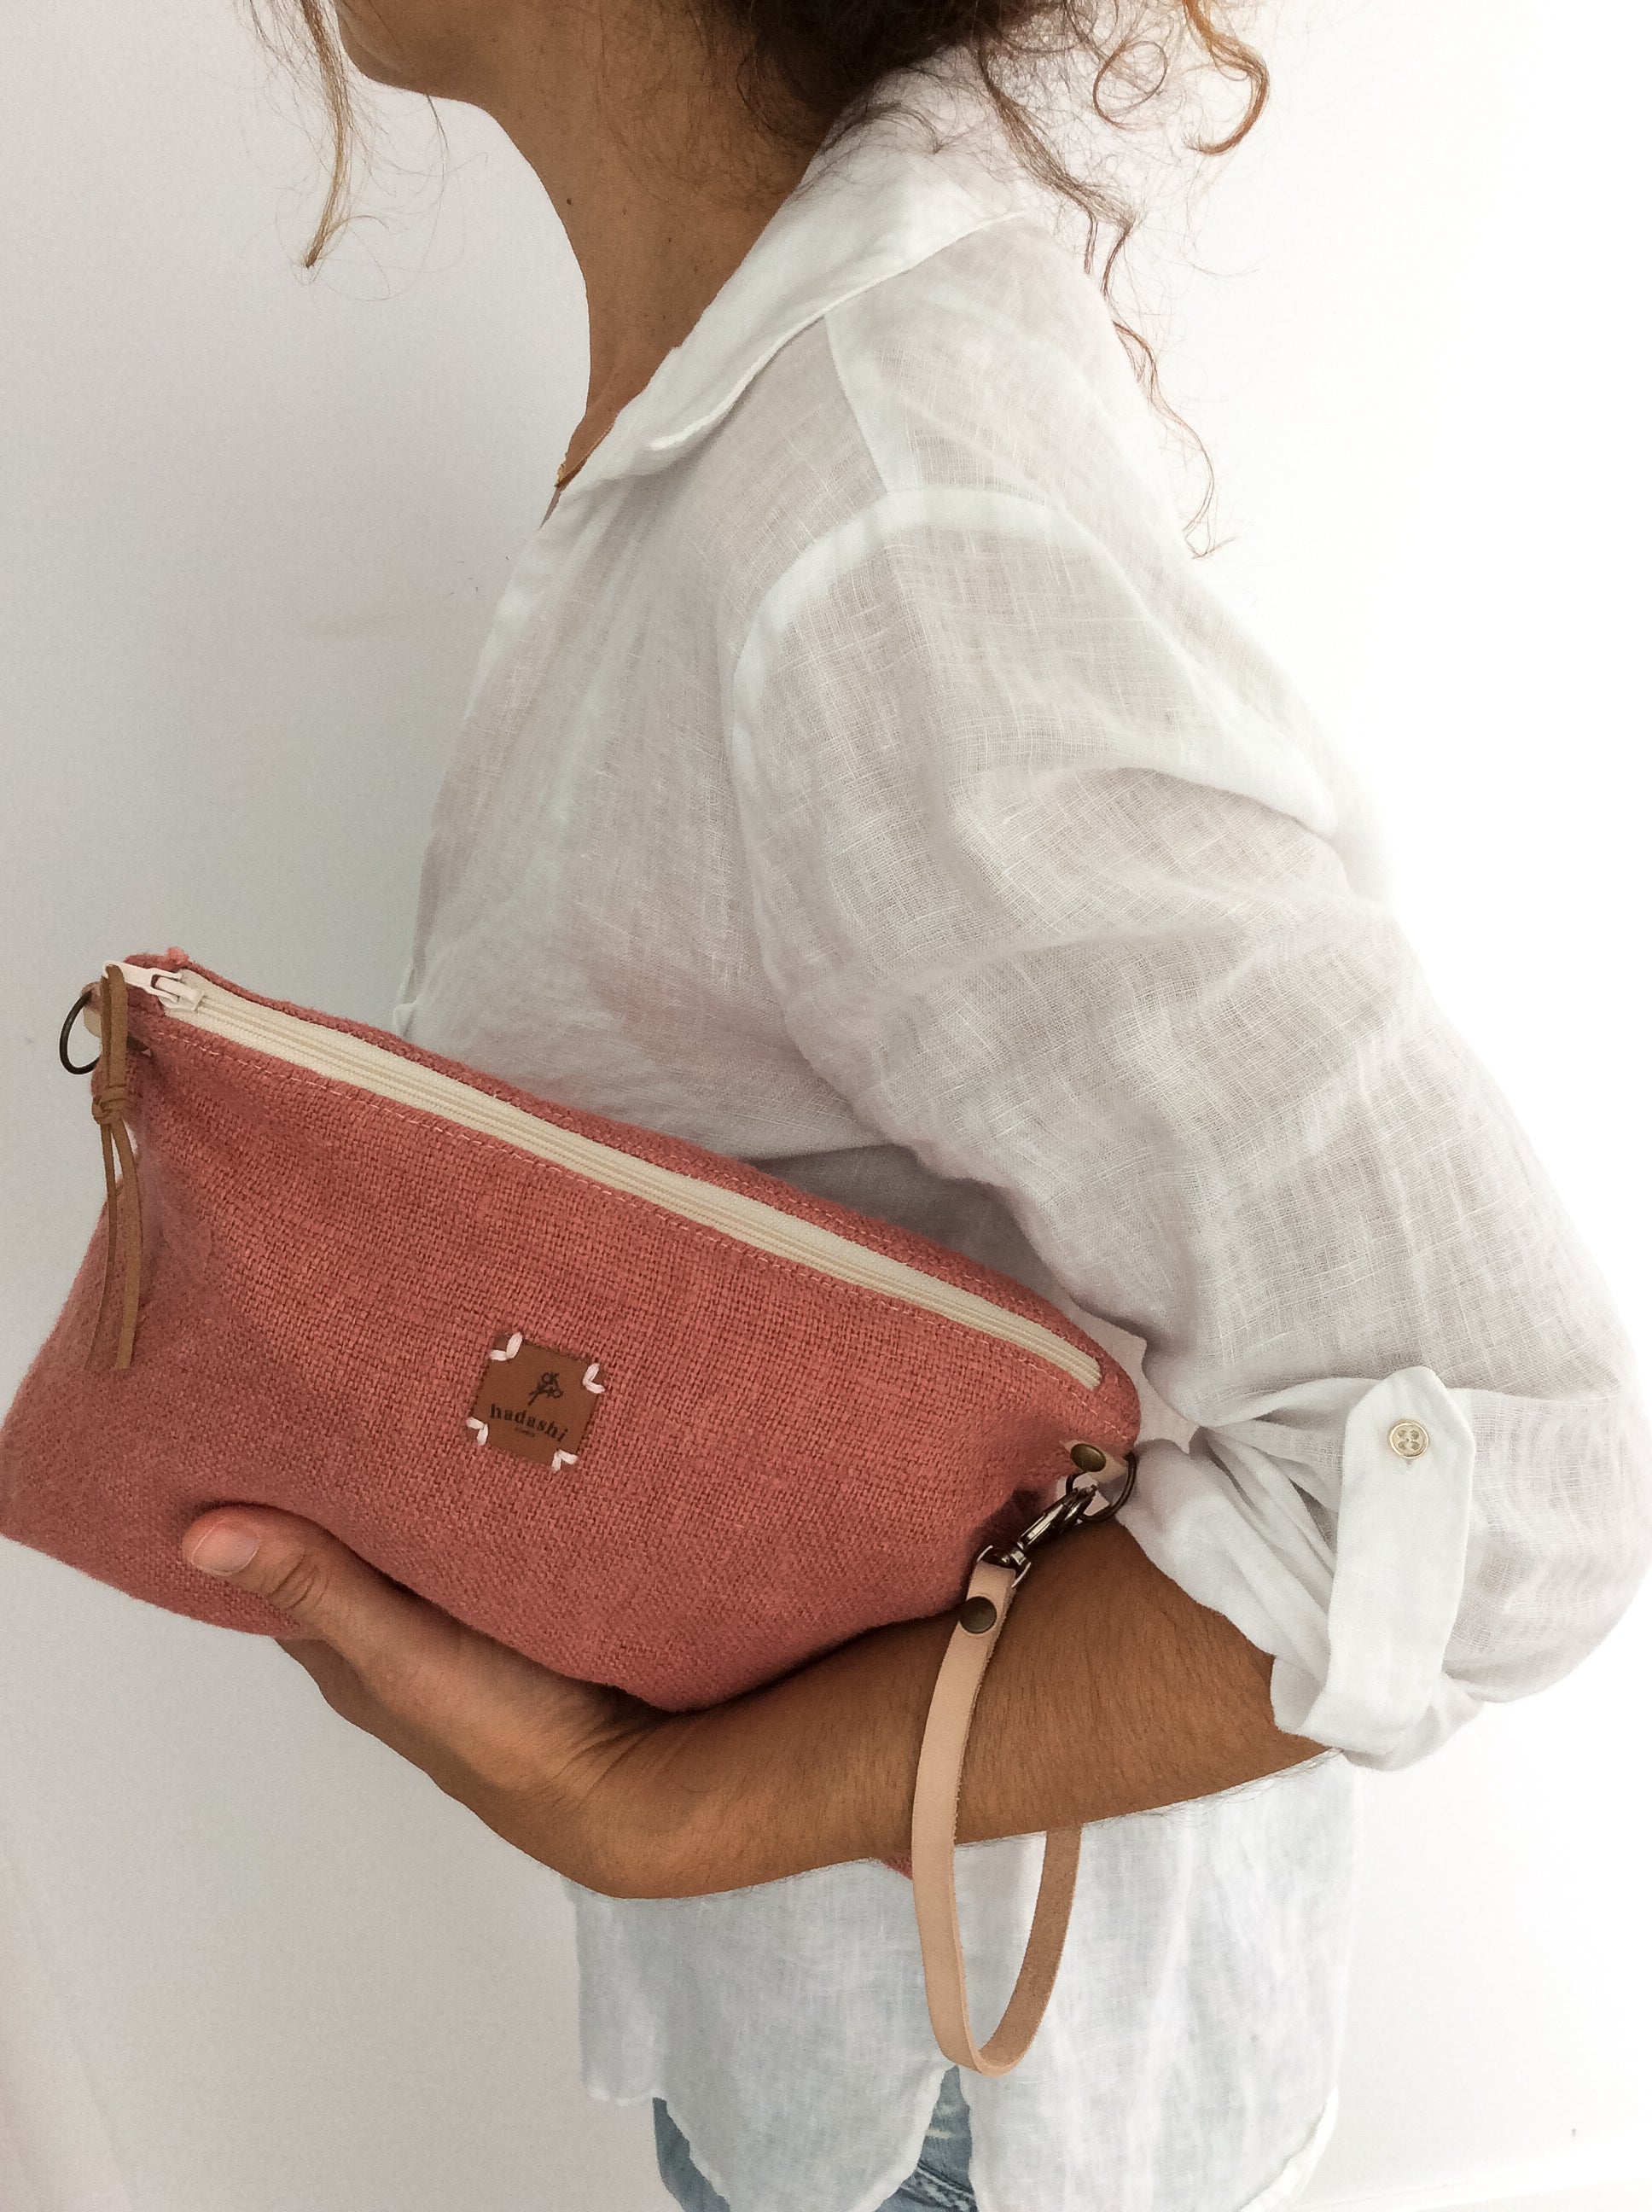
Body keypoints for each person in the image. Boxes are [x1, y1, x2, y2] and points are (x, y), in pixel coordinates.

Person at [176, 3, 1652, 2208]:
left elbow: (1508, 1461)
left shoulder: (864, 512)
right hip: (867, 2016)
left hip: (959, 2087)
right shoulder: (785, 408)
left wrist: (661, 1808)